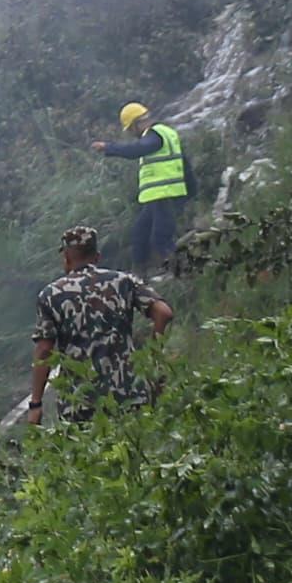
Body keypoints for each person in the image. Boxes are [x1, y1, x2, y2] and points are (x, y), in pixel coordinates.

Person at [24, 225, 171, 426]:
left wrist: (36, 404)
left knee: (91, 456)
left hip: (80, 403)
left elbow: (44, 351)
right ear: (97, 256)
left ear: (66, 258)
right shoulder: (123, 281)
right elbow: (163, 313)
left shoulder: (51, 294)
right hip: (130, 395)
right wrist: (153, 364)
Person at [95, 101, 189, 269]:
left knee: (161, 239)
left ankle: (182, 272)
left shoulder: (154, 136)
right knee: (139, 234)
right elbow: (185, 164)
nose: (132, 134)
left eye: (130, 130)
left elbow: (136, 150)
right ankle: (140, 277)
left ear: (136, 124)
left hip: (165, 195)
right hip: (158, 197)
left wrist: (109, 147)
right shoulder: (163, 134)